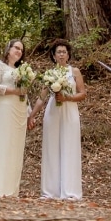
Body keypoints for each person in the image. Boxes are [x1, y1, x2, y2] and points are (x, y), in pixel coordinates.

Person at [28, 39, 86, 200]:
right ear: (53, 56)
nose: (61, 55)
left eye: (64, 52)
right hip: (53, 112)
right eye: (58, 52)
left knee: (70, 147)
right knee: (51, 148)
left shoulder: (74, 72)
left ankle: (70, 191)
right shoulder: (50, 74)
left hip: (70, 111)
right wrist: (32, 115)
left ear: (68, 55)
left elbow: (82, 93)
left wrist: (67, 97)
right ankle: (51, 191)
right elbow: (41, 97)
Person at [0, 38, 29, 197]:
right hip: (4, 108)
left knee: (15, 147)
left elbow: (24, 92)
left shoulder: (22, 70)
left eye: (21, 50)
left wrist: (29, 111)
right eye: (16, 48)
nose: (19, 51)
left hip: (19, 110)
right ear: (9, 49)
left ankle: (12, 190)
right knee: (3, 144)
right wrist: (13, 92)